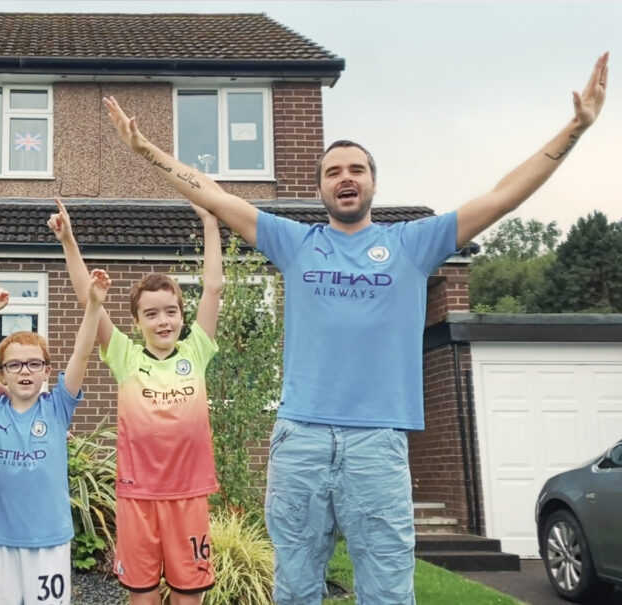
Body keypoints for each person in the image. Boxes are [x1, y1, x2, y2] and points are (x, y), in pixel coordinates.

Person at [102, 51, 609, 605]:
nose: (345, 178)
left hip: (377, 443)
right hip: (301, 440)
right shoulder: (295, 242)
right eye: (332, 171)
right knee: (295, 587)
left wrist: (576, 129)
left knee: (388, 589)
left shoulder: (413, 244)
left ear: (372, 183)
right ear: (321, 187)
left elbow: (502, 195)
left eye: (356, 169)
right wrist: (143, 150)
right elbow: (215, 195)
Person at [48, 198, 222, 604]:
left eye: (171, 312)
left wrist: (211, 223)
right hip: (137, 497)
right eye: (152, 314)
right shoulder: (125, 356)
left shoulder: (196, 350)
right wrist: (68, 241)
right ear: (137, 321)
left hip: (188, 496)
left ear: (182, 315)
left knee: (187, 596)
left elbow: (212, 287)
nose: (164, 321)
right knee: (141, 597)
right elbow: (87, 298)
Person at [0, 268, 110, 605]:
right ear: (1, 374)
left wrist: (94, 305)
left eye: (33, 364)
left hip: (49, 540)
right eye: (14, 365)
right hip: (0, 539)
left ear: (46, 371)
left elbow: (82, 353)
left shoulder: (56, 407)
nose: (24, 371)